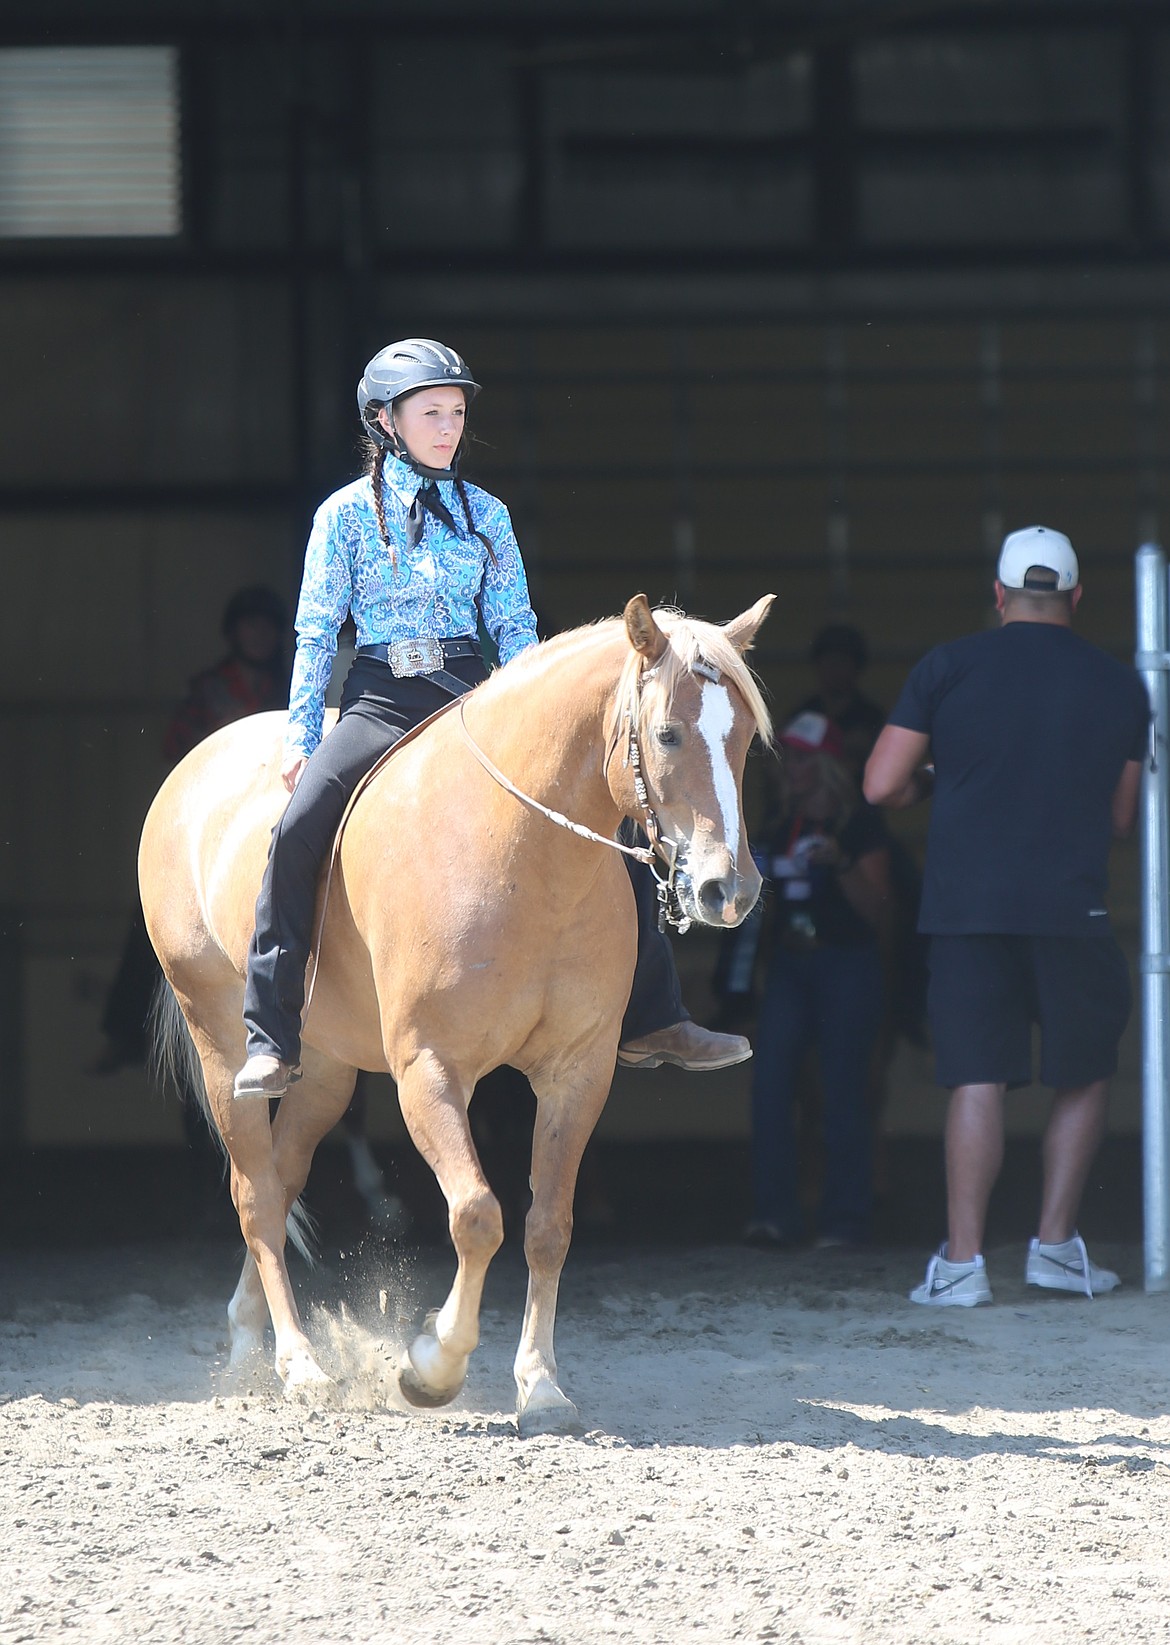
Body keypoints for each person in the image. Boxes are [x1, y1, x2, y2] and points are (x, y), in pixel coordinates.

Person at [233, 337, 750, 1099]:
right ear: (385, 421)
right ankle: (271, 1032)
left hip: (474, 696)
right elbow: (317, 630)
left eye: (457, 413)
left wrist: (537, 721)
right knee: (298, 826)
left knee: (613, 814)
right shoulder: (342, 517)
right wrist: (302, 738)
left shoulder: (488, 514)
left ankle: (653, 1015)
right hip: (380, 698)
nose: (449, 427)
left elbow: (515, 628)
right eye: (431, 412)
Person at [864, 525, 1148, 1306]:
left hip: (967, 910)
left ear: (998, 595)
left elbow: (880, 784)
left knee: (975, 1078)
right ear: (1076, 597)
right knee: (1085, 1072)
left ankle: (962, 1266)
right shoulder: (1121, 685)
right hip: (1073, 905)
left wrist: (933, 780)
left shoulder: (948, 667)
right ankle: (1055, 1249)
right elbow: (1124, 816)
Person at [88, 585, 292, 1074]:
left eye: (268, 626)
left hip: (275, 816)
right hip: (218, 817)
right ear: (233, 633)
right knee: (154, 919)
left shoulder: (290, 684)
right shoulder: (208, 688)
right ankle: (125, 1032)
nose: (260, 635)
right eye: (251, 625)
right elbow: (174, 751)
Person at [740, 712, 891, 1248]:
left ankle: (845, 1220)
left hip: (846, 966)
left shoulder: (860, 825)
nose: (791, 766)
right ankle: (774, 1215)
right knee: (770, 1085)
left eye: (802, 756)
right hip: (789, 966)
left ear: (825, 764)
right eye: (789, 756)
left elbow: (877, 909)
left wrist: (841, 861)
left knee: (844, 1091)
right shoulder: (779, 824)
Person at [793, 623, 887, 783]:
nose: (834, 670)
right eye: (829, 662)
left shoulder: (872, 718)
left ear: (856, 668)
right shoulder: (802, 716)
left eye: (842, 663)